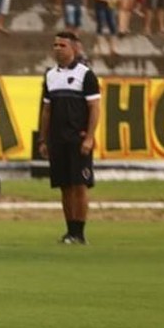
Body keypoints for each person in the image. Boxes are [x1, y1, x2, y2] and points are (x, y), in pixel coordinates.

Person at [38, 31, 101, 245]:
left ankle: (80, 232)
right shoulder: (50, 75)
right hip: (58, 140)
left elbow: (94, 108)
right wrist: (43, 140)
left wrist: (90, 137)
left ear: (74, 48)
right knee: (64, 185)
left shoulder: (86, 75)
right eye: (55, 45)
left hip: (78, 138)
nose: (57, 49)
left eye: (62, 45)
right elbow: (46, 111)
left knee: (79, 185)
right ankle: (70, 230)